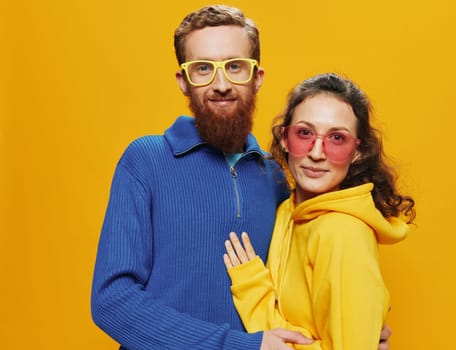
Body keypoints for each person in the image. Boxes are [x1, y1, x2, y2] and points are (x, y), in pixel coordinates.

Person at [91, 5, 391, 350]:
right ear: (183, 82)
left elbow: (295, 300)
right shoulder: (146, 160)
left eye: (235, 67)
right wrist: (237, 345)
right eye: (203, 68)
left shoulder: (278, 180)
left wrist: (358, 330)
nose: (221, 84)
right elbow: (112, 302)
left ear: (257, 77)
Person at [224, 73, 416, 349]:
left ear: (357, 151)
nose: (317, 152)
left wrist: (252, 290)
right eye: (305, 133)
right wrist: (254, 288)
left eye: (337, 138)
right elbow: (288, 336)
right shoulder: (286, 212)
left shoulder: (344, 233)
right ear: (285, 138)